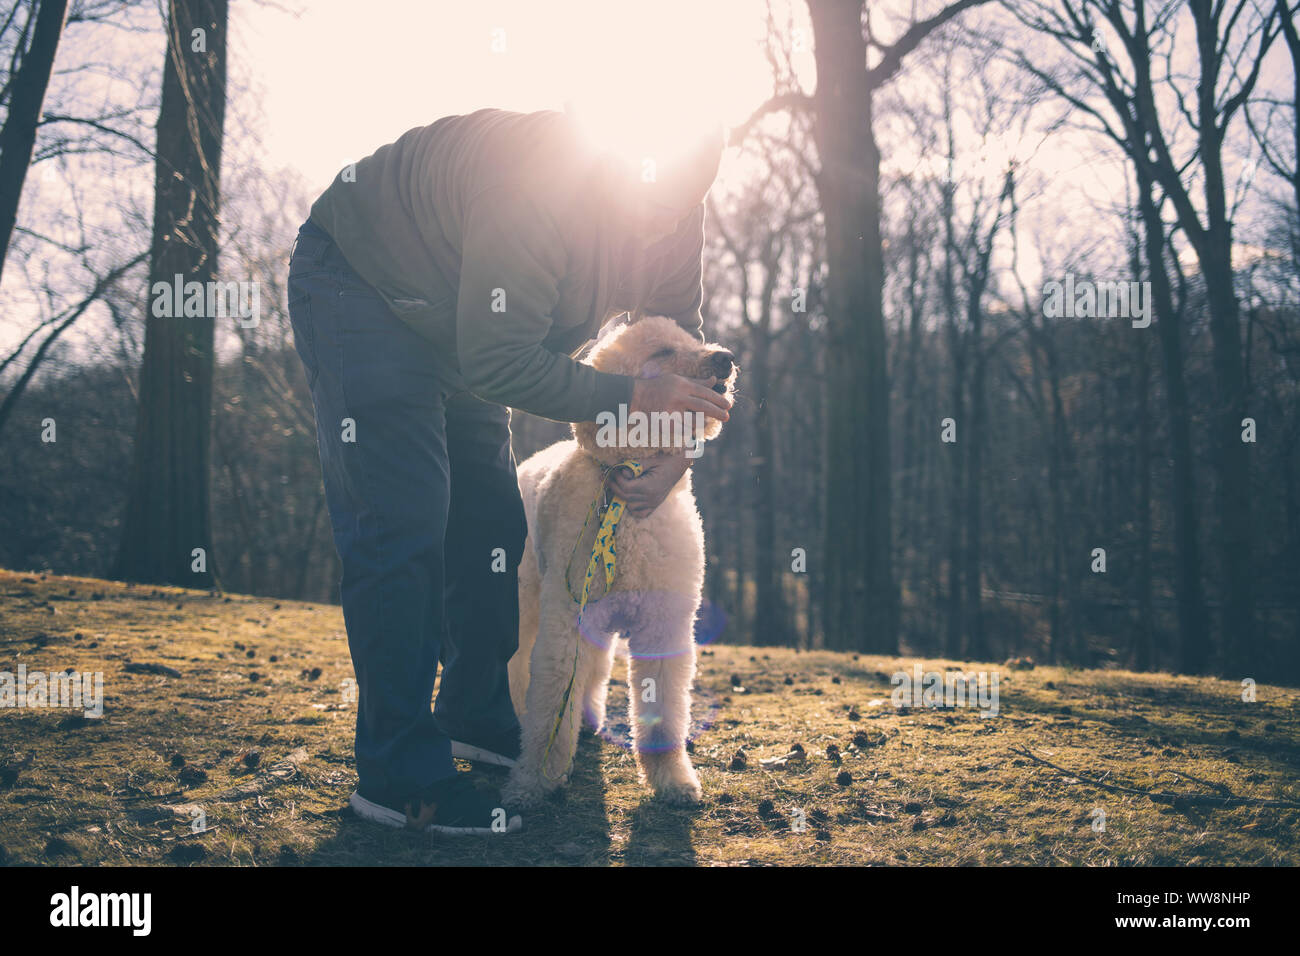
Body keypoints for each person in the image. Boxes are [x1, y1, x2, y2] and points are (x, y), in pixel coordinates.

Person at [286, 107, 731, 834]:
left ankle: (474, 710)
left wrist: (675, 457)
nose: (658, 229)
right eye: (646, 208)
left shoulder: (677, 208)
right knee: (406, 518)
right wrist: (626, 394)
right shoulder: (539, 182)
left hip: (474, 328)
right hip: (366, 284)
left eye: (677, 206)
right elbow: (499, 362)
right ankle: (397, 772)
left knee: (492, 521)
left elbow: (680, 353)